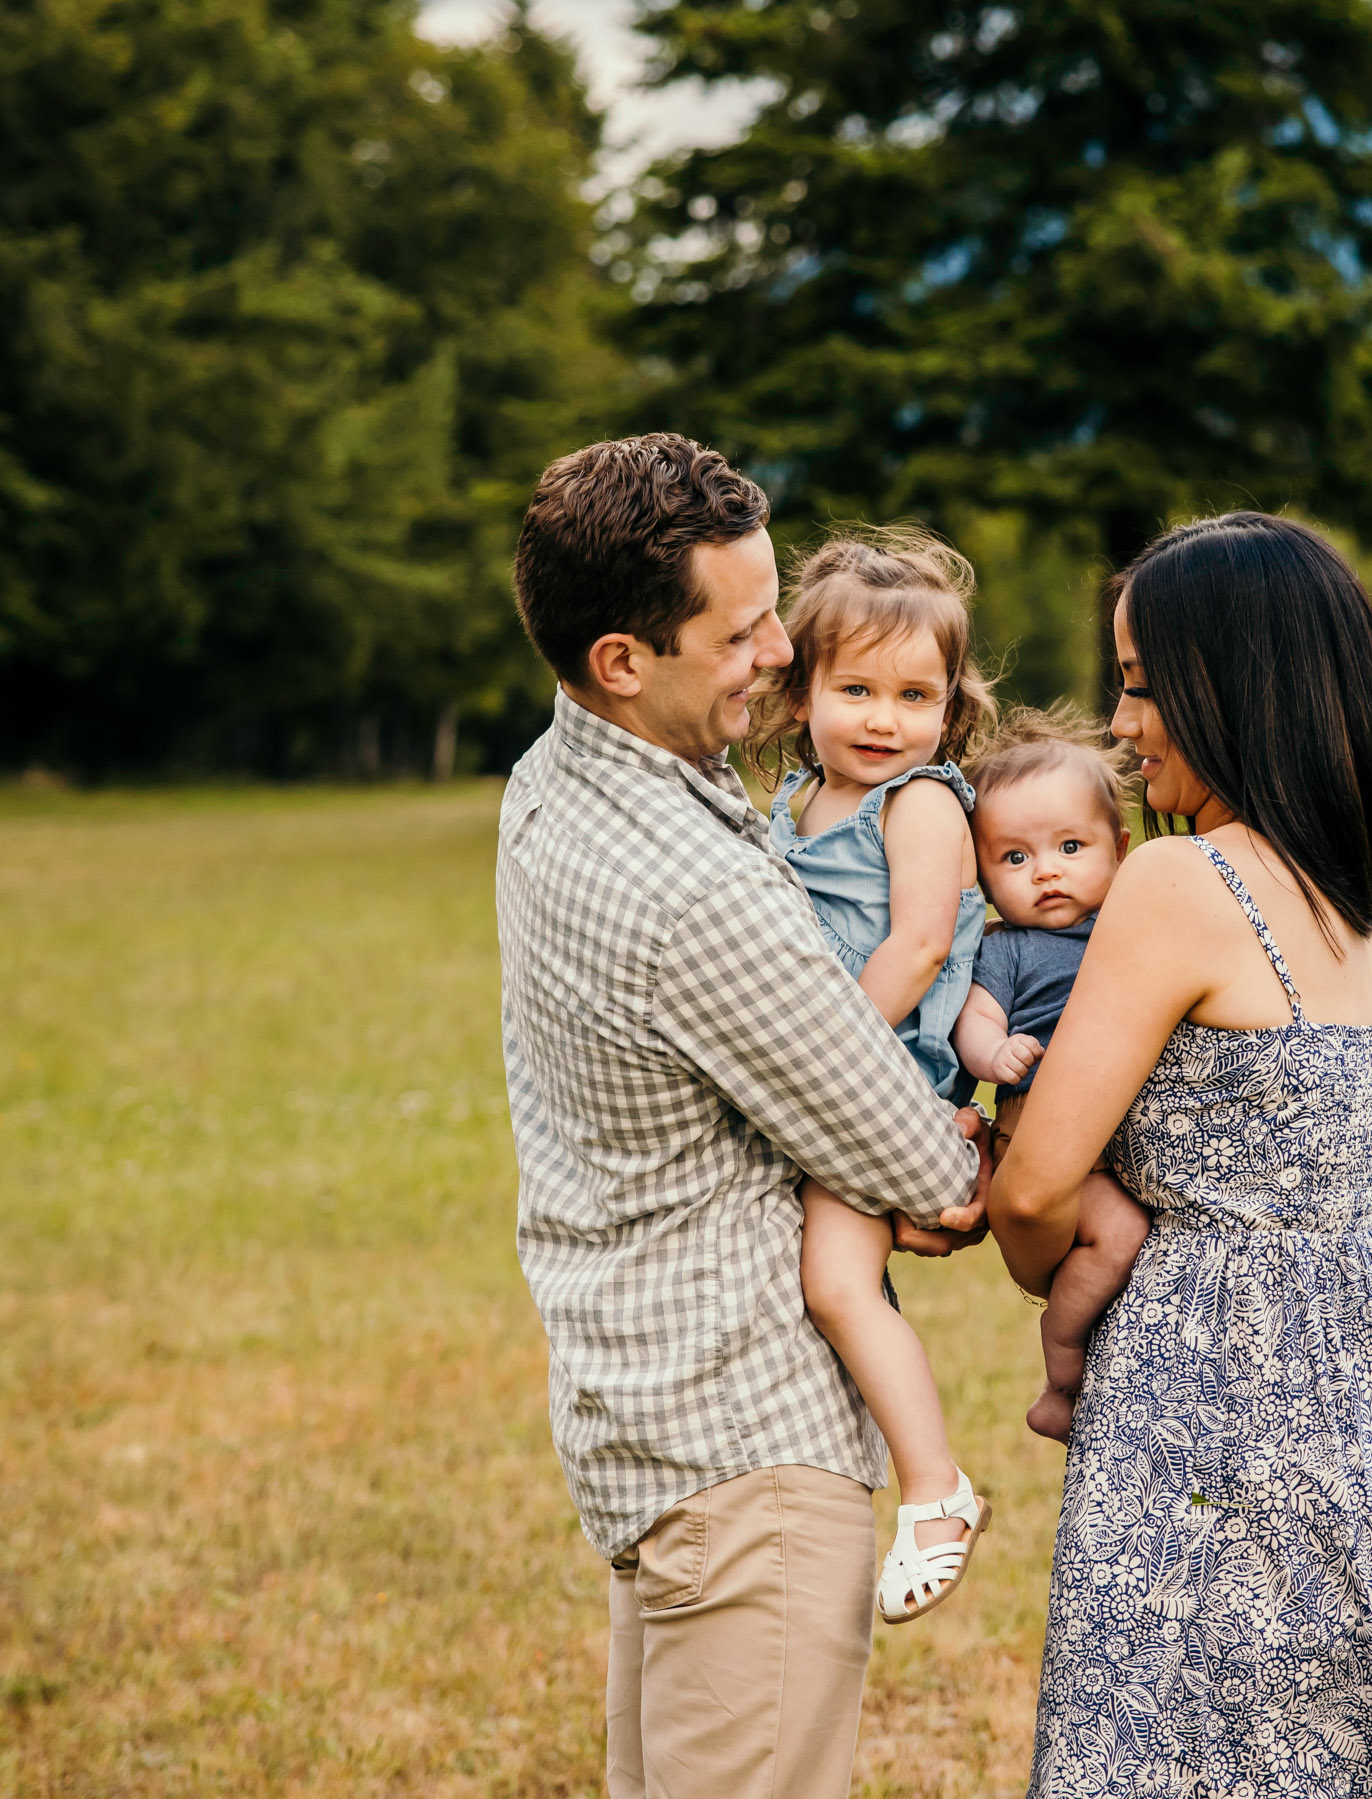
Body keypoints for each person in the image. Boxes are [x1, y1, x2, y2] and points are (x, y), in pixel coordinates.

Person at [495, 434, 990, 1799]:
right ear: (621, 659)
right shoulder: (689, 889)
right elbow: (916, 1165)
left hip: (642, 1420)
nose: (783, 646)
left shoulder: (553, 778)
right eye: (745, 625)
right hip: (744, 1447)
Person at [989, 512, 1372, 1798]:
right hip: (1347, 1394)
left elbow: (1031, 1184)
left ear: (1228, 683)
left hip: (1201, 1396)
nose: (1123, 725)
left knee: (1151, 1743)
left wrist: (1038, 1267)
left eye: (1137, 684)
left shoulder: (1183, 880)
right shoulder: (1342, 880)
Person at [748, 528, 998, 1623]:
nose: (883, 719)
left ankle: (936, 1485)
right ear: (800, 686)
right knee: (826, 1284)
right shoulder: (796, 798)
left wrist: (812, 1049)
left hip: (878, 1070)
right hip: (825, 1067)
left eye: (914, 694)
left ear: (949, 707)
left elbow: (918, 945)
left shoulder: (922, 803)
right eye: (854, 688)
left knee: (839, 1284)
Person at [951, 707, 1152, 1444]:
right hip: (1044, 1137)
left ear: (1120, 848)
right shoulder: (1006, 950)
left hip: (1119, 1135)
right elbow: (976, 1017)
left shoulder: (1131, 923)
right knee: (1120, 1233)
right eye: (1015, 858)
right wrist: (993, 1053)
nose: (1047, 871)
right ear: (982, 872)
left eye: (1071, 845)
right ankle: (1062, 1374)